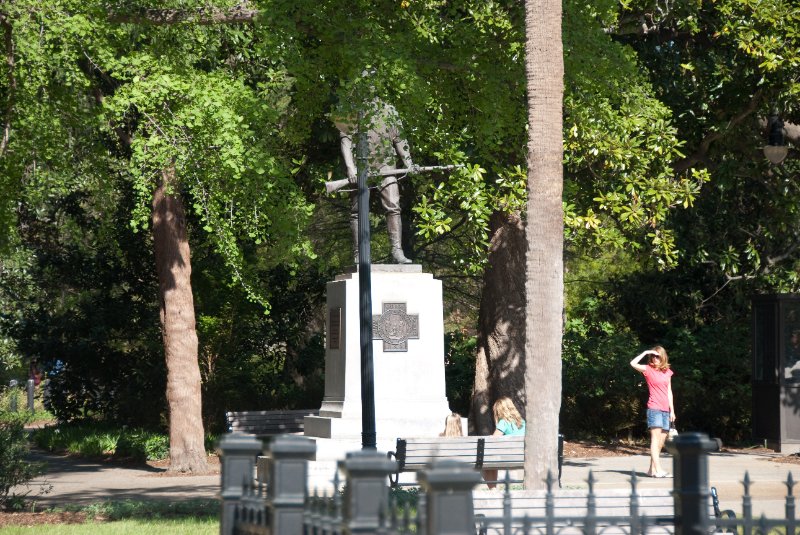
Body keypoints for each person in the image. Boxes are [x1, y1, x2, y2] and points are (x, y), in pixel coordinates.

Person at [335, 99, 414, 264]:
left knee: (394, 206)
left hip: (386, 165)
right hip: (360, 167)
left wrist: (409, 163)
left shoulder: (389, 110)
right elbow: (346, 141)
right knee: (358, 210)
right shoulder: (351, 110)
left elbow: (400, 139)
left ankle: (397, 250)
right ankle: (359, 253)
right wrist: (350, 168)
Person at [630, 346, 675, 478]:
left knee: (661, 441)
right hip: (654, 408)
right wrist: (645, 352)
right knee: (655, 440)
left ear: (663, 357)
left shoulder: (668, 372)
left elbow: (669, 391)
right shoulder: (648, 369)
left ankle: (651, 469)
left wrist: (672, 410)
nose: (655, 358)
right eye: (653, 356)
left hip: (665, 409)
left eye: (657, 356)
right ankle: (659, 469)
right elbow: (632, 363)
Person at [483, 397, 525, 487]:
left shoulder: (504, 422)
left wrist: (490, 437)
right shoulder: (523, 422)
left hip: (509, 458)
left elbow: (493, 440)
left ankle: (493, 490)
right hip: (523, 457)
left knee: (488, 463)